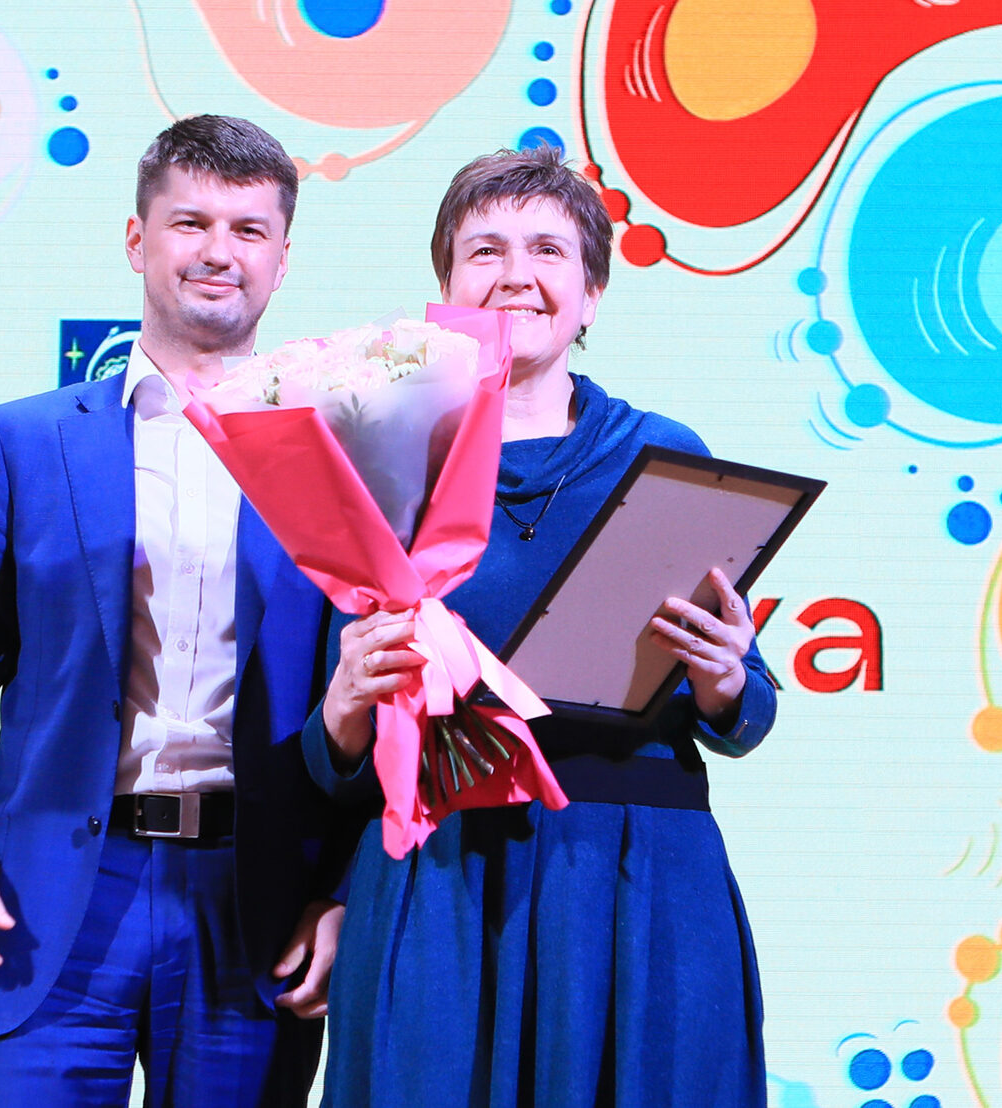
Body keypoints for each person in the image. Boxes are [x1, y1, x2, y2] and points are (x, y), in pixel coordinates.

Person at [0, 115, 354, 1107]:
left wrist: (349, 890)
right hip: (48, 902)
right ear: (138, 241)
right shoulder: (23, 444)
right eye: (190, 223)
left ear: (282, 261)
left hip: (255, 907)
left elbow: (375, 701)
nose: (218, 251)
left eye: (248, 229)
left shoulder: (342, 457)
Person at [304, 145, 778, 1107]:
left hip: (637, 881)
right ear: (445, 289)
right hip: (442, 883)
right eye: (484, 250)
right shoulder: (382, 464)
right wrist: (347, 702)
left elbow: (749, 711)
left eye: (548, 251)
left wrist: (728, 680)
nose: (515, 274)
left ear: (591, 295)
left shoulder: (662, 453)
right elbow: (331, 757)